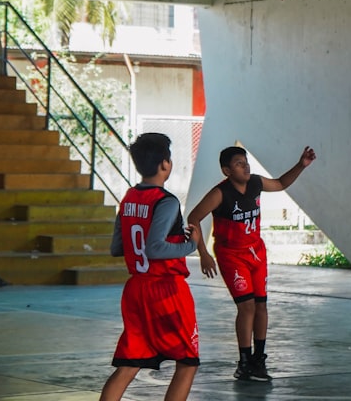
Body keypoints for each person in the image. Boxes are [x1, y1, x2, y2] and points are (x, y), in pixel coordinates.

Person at [186, 145, 317, 382]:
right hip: (231, 255)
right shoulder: (220, 193)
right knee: (246, 307)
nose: (245, 166)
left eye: (245, 162)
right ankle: (244, 362)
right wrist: (203, 253)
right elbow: (193, 217)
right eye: (239, 164)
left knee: (261, 306)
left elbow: (280, 183)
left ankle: (259, 359)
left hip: (256, 253)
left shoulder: (256, 183)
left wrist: (301, 165)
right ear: (227, 170)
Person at [100, 132, 199, 401]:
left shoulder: (129, 198)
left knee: (129, 364)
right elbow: (155, 248)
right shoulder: (166, 201)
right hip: (166, 290)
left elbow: (116, 248)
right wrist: (192, 245)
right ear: (165, 164)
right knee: (187, 362)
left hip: (136, 289)